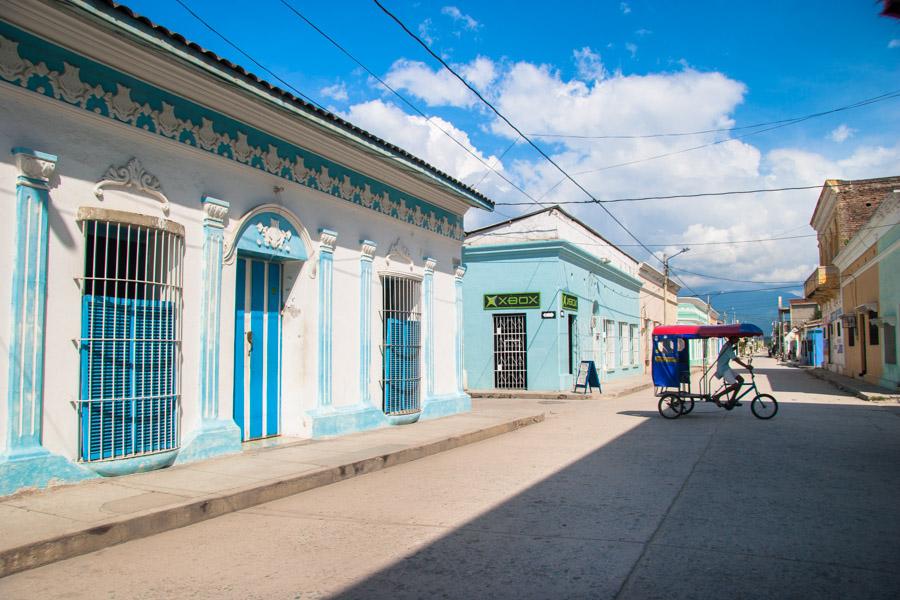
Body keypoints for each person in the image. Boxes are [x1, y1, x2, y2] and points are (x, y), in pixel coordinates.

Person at [713, 336, 752, 409]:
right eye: (736, 338)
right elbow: (735, 359)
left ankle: (732, 400)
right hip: (723, 369)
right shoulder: (728, 347)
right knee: (735, 385)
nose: (738, 339)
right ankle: (717, 396)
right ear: (732, 338)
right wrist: (746, 366)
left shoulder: (729, 346)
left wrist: (733, 349)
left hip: (726, 367)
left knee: (741, 380)